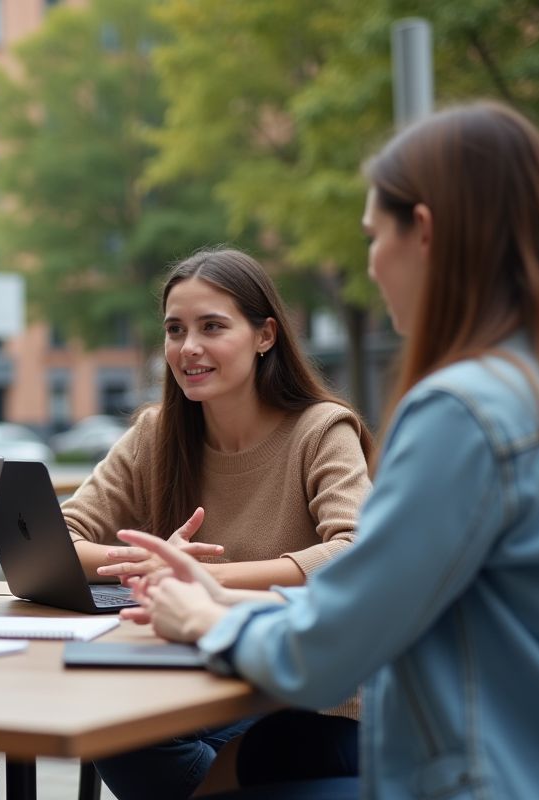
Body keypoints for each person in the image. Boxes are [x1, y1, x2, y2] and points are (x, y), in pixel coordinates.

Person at [125, 102, 539, 799]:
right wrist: (227, 607)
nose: (372, 267)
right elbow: (385, 608)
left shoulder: (462, 413)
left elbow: (334, 650)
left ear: (424, 232)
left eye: (373, 237)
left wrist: (207, 618)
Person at [60, 248, 374, 800]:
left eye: (212, 327)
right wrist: (151, 564)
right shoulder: (156, 434)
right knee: (115, 728)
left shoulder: (321, 430)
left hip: (308, 700)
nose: (189, 348)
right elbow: (60, 537)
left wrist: (208, 580)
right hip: (197, 679)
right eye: (175, 329)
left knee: (152, 736)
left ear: (265, 336)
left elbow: (357, 552)